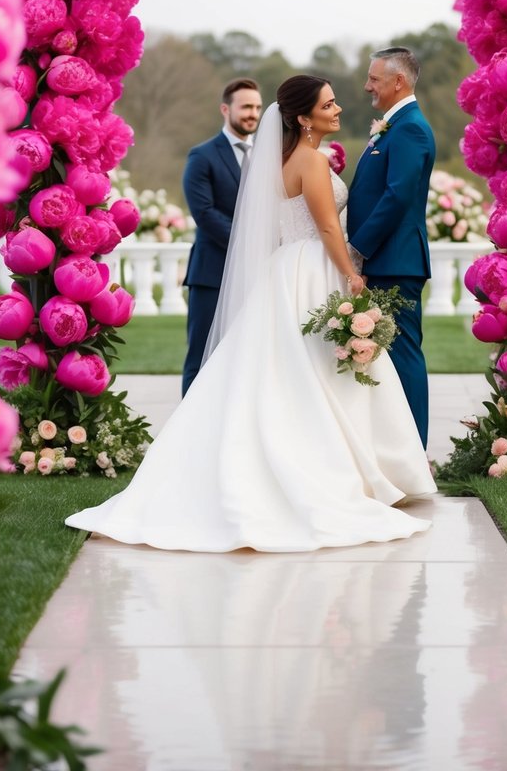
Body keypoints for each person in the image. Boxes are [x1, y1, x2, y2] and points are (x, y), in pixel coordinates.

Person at [66, 75, 435, 553]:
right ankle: (349, 471)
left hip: (286, 270)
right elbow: (326, 226)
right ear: (304, 118)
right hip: (315, 268)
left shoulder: (280, 161)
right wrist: (353, 275)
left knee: (288, 371)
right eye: (329, 103)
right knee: (320, 371)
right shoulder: (312, 161)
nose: (338, 108)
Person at [347, 48, 435, 450]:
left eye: (374, 79)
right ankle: (392, 448)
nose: (367, 85)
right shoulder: (392, 127)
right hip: (386, 259)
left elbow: (398, 196)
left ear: (398, 81)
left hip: (395, 260)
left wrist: (358, 247)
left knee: (403, 355)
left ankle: (414, 450)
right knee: (388, 357)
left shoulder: (411, 128)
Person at [180, 78, 262, 396]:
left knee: (248, 357)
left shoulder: (270, 157)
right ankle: (187, 435)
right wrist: (252, 245)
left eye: (256, 107)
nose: (252, 114)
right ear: (226, 109)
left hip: (256, 276)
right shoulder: (201, 156)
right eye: (246, 107)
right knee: (202, 356)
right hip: (211, 273)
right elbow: (205, 214)